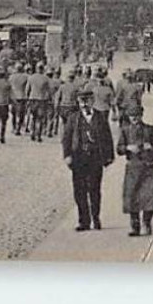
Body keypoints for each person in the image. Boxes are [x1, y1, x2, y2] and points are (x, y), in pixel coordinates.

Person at [61, 85, 114, 231]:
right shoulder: (73, 118)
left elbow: (107, 137)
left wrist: (109, 156)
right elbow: (66, 138)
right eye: (81, 101)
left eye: (88, 100)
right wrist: (67, 155)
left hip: (95, 157)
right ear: (78, 102)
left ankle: (96, 218)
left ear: (93, 101)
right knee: (79, 190)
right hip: (78, 157)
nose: (84, 103)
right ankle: (83, 220)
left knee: (95, 189)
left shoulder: (100, 117)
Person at [116, 99, 153, 236]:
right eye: (132, 116)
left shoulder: (150, 129)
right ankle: (135, 226)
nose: (134, 118)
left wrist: (151, 147)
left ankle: (147, 223)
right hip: (133, 168)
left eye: (137, 115)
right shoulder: (125, 131)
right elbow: (119, 149)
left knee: (150, 196)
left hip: (149, 167)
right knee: (132, 196)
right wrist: (127, 148)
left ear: (141, 115)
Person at [26, 63, 54, 143]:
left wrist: (28, 98)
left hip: (33, 99)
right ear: (43, 69)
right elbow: (50, 90)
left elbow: (27, 89)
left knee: (33, 117)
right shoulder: (46, 78)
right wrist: (50, 98)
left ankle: (32, 133)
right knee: (40, 118)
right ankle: (38, 135)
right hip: (42, 100)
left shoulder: (31, 78)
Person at [9, 63, 30, 135]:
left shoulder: (11, 77)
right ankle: (18, 128)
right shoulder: (26, 76)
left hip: (14, 97)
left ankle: (14, 127)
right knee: (22, 113)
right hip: (22, 96)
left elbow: (9, 87)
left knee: (14, 113)